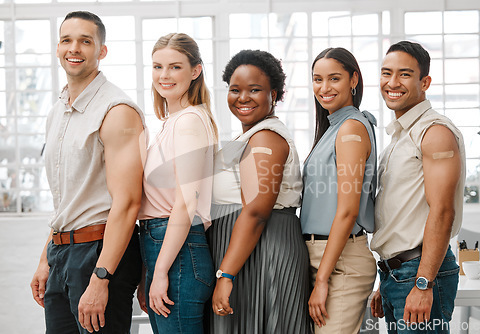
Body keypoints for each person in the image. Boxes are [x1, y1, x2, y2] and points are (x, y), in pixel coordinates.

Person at [30, 11, 146, 333]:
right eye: (67, 40)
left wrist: (101, 277)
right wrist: (46, 259)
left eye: (85, 41)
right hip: (61, 253)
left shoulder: (117, 111)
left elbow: (127, 202)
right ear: (57, 49)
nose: (74, 49)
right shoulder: (57, 111)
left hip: (98, 254)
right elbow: (67, 199)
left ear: (102, 51)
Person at [206, 49, 312, 333]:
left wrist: (226, 274)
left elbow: (255, 212)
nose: (243, 98)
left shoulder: (266, 137)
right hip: (244, 252)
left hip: (264, 250)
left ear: (274, 94)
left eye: (255, 90)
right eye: (235, 89)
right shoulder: (249, 136)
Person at [370, 40, 465, 333]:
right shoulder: (400, 137)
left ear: (425, 82)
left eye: (405, 74)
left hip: (419, 273)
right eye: (386, 73)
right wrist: (386, 281)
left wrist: (423, 283)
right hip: (399, 274)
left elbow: (443, 212)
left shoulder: (434, 132)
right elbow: (401, 216)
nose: (392, 82)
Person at [136, 33, 218, 334]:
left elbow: (186, 203)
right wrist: (151, 267)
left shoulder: (189, 122)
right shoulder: (172, 122)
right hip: (162, 245)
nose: (164, 75)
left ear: (195, 71)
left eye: (175, 67)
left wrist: (160, 271)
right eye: (157, 67)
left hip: (178, 250)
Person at [300, 47, 378, 333]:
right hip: (321, 256)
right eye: (317, 79)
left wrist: (322, 280)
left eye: (334, 79)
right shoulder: (333, 128)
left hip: (340, 261)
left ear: (353, 80)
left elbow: (347, 211)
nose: (324, 88)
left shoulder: (350, 129)